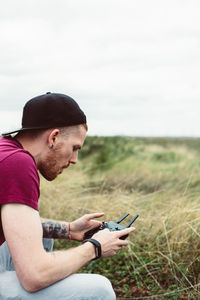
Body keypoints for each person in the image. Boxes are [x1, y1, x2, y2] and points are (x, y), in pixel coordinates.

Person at [0, 92, 135, 300]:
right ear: (53, 137)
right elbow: (34, 277)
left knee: (43, 241)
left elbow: (17, 224)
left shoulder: (5, 149)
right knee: (100, 290)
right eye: (74, 148)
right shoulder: (18, 164)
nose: (75, 160)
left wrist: (70, 230)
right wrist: (95, 247)